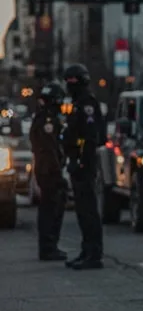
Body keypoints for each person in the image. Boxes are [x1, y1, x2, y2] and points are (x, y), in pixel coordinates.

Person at [63, 63, 105, 270]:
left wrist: (80, 161)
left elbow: (90, 137)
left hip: (84, 165)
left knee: (88, 210)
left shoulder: (87, 104)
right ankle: (86, 250)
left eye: (73, 81)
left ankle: (94, 254)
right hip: (77, 163)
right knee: (82, 210)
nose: (70, 85)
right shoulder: (78, 103)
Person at [29, 81, 67, 261]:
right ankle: (48, 247)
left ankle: (49, 246)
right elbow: (49, 148)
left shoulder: (43, 117)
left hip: (46, 169)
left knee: (50, 207)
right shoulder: (47, 120)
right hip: (49, 171)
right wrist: (57, 171)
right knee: (50, 209)